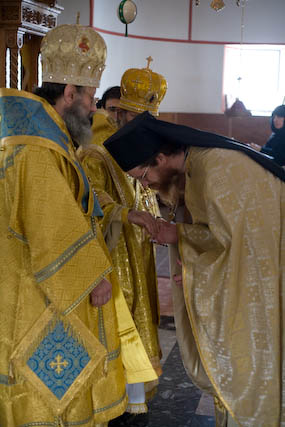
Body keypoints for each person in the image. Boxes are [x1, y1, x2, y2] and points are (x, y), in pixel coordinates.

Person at [104, 111, 285, 427]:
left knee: (252, 372)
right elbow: (222, 235)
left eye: (144, 176)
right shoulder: (196, 167)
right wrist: (180, 239)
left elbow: (248, 252)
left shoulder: (218, 171)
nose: (146, 184)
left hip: (266, 290)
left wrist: (194, 271)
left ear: (161, 158)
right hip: (254, 275)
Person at [0, 24, 131, 427]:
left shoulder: (42, 135)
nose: (95, 108)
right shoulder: (36, 148)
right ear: (70, 93)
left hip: (37, 278)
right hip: (40, 287)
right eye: (91, 97)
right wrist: (94, 278)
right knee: (49, 394)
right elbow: (49, 220)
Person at [79, 60, 167, 426]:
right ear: (120, 115)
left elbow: (145, 192)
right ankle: (116, 403)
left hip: (139, 250)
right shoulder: (96, 151)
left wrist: (154, 217)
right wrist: (129, 215)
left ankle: (136, 402)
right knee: (120, 328)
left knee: (142, 320)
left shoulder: (140, 147)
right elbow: (89, 195)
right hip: (112, 253)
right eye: (134, 117)